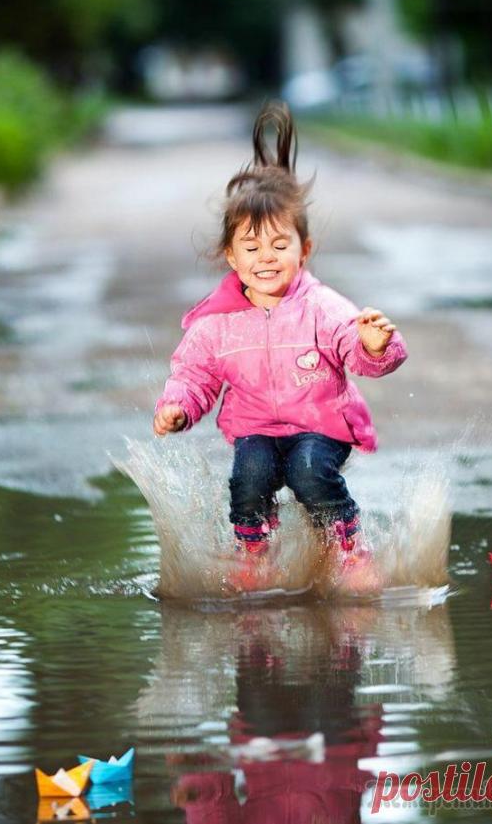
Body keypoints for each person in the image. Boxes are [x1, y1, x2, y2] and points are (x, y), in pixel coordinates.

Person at [153, 101, 407, 584]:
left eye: (279, 245)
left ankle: (350, 552)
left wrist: (373, 346)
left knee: (310, 471)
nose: (265, 258)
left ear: (303, 250)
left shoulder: (322, 305)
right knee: (249, 475)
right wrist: (179, 407)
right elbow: (195, 375)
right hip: (257, 430)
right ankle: (254, 556)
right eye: (251, 248)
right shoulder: (217, 321)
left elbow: (355, 353)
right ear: (231, 256)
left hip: (320, 426)